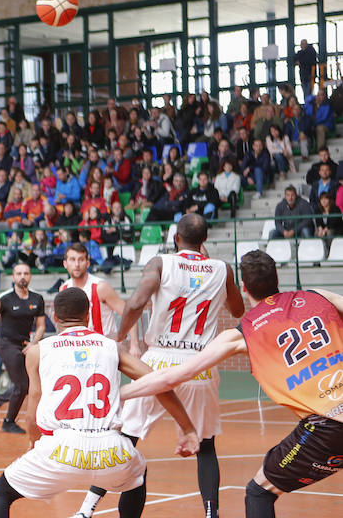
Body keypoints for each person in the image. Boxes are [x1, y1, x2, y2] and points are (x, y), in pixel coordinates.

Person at [121, 250, 343, 518]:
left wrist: (120, 393)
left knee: (259, 492)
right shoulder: (319, 296)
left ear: (244, 288)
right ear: (277, 278)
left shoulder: (241, 334)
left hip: (328, 426)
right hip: (330, 422)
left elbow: (169, 378)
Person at [74, 213, 245, 518]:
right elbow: (238, 308)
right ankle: (211, 513)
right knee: (205, 445)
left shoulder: (161, 263)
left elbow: (137, 302)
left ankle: (87, 510)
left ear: (176, 238)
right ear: (203, 242)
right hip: (200, 365)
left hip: (159, 360)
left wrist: (123, 334)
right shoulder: (222, 269)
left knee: (124, 439)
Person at [0, 288, 199, 518]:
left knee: (1, 492)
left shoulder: (37, 351)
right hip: (110, 449)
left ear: (55, 318)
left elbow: (33, 412)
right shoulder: (111, 347)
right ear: (88, 315)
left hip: (60, 449)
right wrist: (187, 428)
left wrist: (34, 443)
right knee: (137, 475)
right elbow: (160, 383)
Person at [0, 264, 47, 433]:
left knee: (26, 384)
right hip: (6, 344)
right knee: (23, 385)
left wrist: (34, 343)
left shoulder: (37, 299)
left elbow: (40, 326)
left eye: (26, 273)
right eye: (18, 273)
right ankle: (8, 422)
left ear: (30, 276)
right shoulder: (5, 299)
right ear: (13, 277)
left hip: (26, 345)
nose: (22, 276)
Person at [59, 243, 141, 356]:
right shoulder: (64, 289)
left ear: (88, 263)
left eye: (81, 260)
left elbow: (129, 314)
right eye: (72, 260)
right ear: (65, 263)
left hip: (104, 350)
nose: (77, 264)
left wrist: (134, 345)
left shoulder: (100, 287)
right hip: (78, 351)